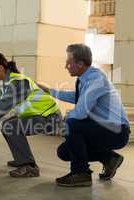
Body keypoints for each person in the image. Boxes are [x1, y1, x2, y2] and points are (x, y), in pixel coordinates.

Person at [36, 44, 131, 187]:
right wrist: (50, 91)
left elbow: (80, 113)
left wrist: (63, 121)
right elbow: (77, 97)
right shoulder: (85, 78)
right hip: (103, 128)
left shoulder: (96, 80)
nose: (66, 66)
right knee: (64, 152)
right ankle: (109, 158)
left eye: (69, 62)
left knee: (71, 123)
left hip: (117, 131)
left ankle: (80, 173)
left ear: (80, 64)